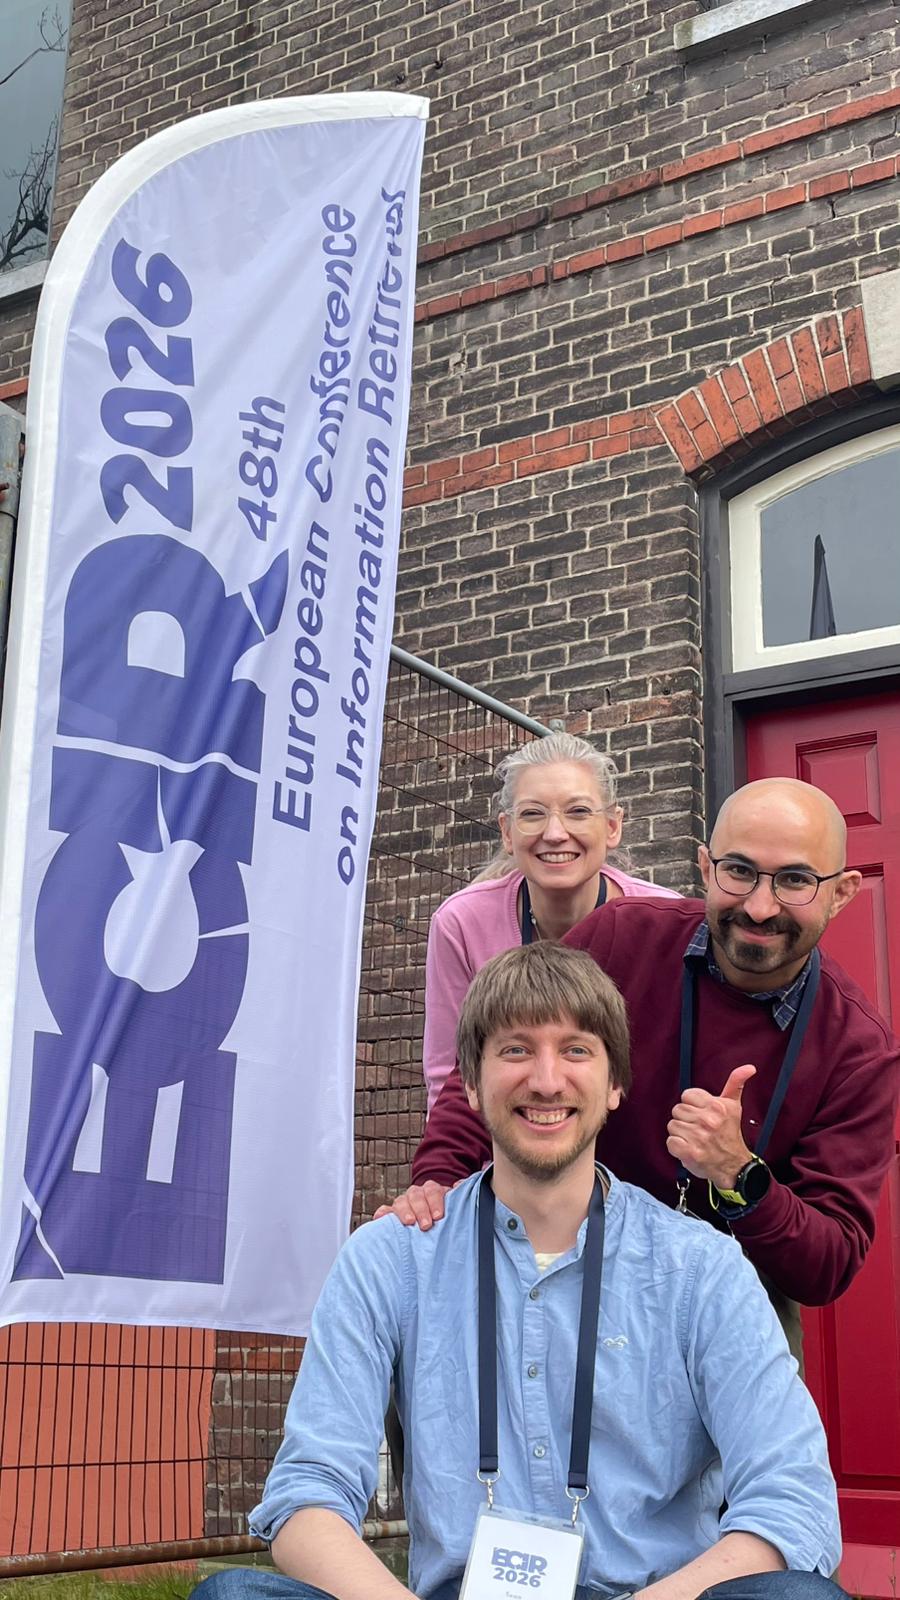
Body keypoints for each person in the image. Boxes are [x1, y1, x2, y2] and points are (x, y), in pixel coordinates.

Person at [196, 944, 844, 1600]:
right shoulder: (390, 1259)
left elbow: (793, 1502)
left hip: (651, 1593)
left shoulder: (701, 1269)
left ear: (616, 1083)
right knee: (231, 1596)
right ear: (471, 1084)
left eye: (576, 1050)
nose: (545, 1079)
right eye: (514, 1050)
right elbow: (306, 1497)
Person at [402, 778, 900, 1314]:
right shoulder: (622, 937)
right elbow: (503, 1051)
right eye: (739, 871)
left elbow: (826, 1266)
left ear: (842, 892)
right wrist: (438, 1179)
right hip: (566, 1251)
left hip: (724, 1296)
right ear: (706, 868)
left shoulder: (858, 1050)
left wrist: (740, 1175)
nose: (759, 907)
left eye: (796, 880)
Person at [422, 731, 679, 1112]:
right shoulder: (461, 924)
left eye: (578, 811)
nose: (555, 833)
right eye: (532, 814)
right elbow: (451, 1076)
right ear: (507, 832)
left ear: (612, 826)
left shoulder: (668, 922)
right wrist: (450, 1169)